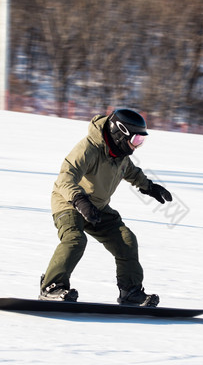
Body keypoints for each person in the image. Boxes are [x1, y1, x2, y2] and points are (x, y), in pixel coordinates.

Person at [39, 108, 173, 307]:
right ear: (120, 133)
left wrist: (149, 187)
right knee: (75, 239)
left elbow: (131, 171)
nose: (138, 146)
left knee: (126, 241)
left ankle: (130, 291)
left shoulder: (119, 153)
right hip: (68, 202)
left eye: (141, 142)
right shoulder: (88, 149)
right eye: (137, 140)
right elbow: (65, 178)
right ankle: (51, 287)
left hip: (98, 206)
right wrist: (80, 201)